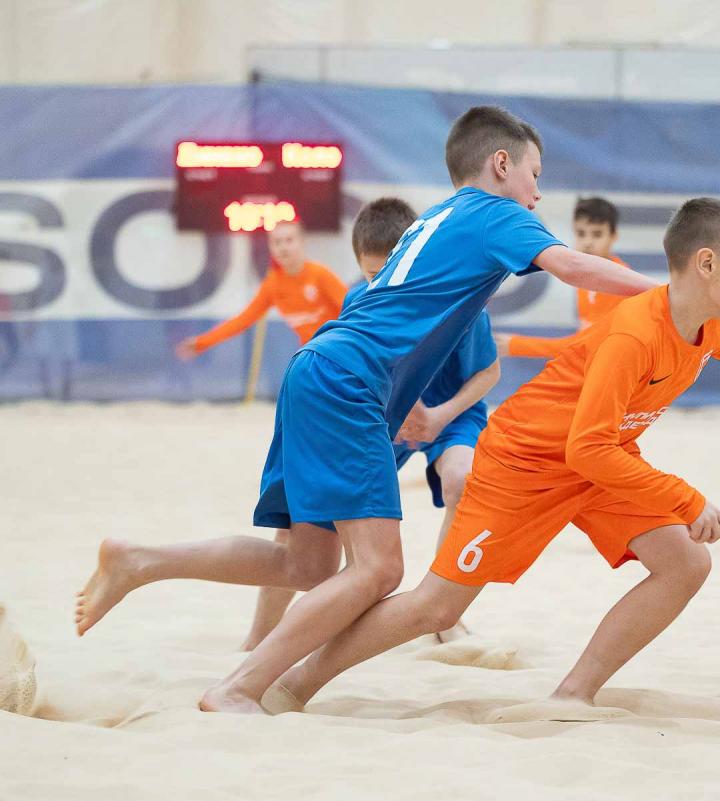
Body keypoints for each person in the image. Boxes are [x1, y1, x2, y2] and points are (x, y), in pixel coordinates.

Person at [75, 105, 659, 715]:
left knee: (305, 563)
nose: (537, 194)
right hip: (349, 381)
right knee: (379, 570)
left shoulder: (434, 219)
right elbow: (573, 266)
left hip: (320, 370)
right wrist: (670, 294)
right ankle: (239, 687)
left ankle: (140, 560)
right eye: (535, 175)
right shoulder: (496, 212)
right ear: (501, 164)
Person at [266, 198, 720, 719]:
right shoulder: (634, 336)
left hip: (599, 462)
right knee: (437, 608)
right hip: (524, 465)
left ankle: (573, 694)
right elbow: (587, 447)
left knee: (686, 563)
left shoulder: (709, 326)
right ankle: (296, 681)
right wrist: (687, 499)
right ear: (707, 264)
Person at [240, 197, 498, 650]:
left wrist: (438, 416)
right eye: (371, 274)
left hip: (449, 412)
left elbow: (489, 373)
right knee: (305, 519)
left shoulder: (460, 300)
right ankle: (258, 636)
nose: (381, 284)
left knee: (462, 479)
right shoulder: (359, 298)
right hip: (387, 413)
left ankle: (444, 612)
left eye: (388, 272)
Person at [175, 220, 345, 359]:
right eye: (277, 242)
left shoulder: (320, 275)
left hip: (341, 350)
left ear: (302, 242)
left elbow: (354, 309)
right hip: (313, 355)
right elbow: (243, 320)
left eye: (289, 240)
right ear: (270, 247)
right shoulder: (273, 284)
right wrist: (202, 343)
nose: (283, 247)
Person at [495, 196, 628, 358]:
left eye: (597, 234)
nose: (588, 242)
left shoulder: (619, 284)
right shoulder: (586, 275)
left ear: (614, 236)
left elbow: (588, 345)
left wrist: (517, 345)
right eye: (581, 233)